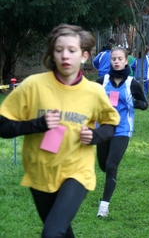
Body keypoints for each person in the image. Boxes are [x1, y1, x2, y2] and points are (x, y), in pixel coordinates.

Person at [0, 24, 120, 237]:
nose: (65, 55)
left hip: (76, 172)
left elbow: (111, 124)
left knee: (52, 233)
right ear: (52, 54)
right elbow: (3, 126)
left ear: (84, 55)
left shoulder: (93, 91)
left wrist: (95, 135)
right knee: (61, 232)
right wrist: (37, 124)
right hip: (40, 172)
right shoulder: (33, 85)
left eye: (71, 50)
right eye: (59, 50)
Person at [96, 47, 148, 217]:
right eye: (113, 59)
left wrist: (137, 103)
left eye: (120, 59)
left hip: (122, 130)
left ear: (126, 61)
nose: (116, 62)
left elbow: (144, 103)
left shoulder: (132, 83)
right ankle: (108, 177)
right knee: (103, 165)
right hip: (102, 129)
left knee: (111, 166)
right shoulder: (101, 81)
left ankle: (103, 207)